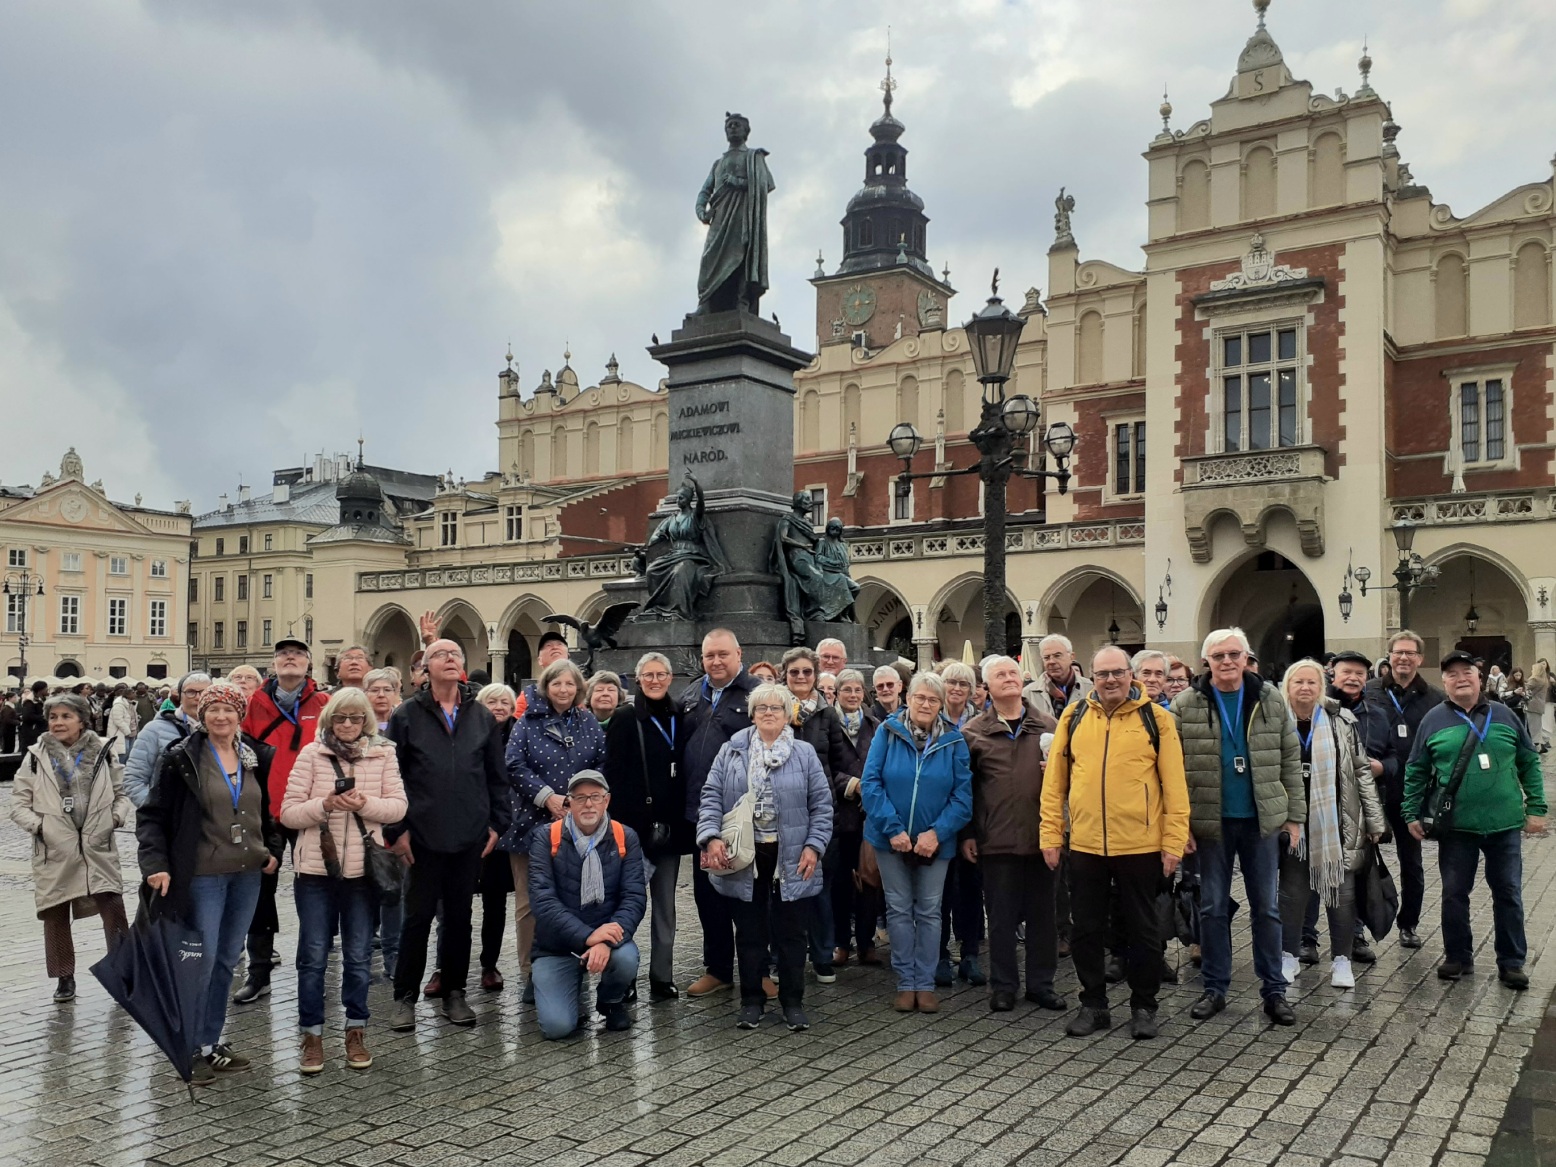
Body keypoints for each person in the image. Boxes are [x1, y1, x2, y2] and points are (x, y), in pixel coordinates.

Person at [138, 682, 283, 1085]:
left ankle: (211, 1042)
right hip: (202, 875)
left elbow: (269, 811)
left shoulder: (255, 756)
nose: (221, 717)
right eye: (213, 710)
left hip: (247, 874)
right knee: (198, 963)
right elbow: (152, 816)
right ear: (202, 716)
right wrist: (155, 862)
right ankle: (187, 1048)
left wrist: (272, 850)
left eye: (229, 710)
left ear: (240, 715)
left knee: (224, 961)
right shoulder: (181, 758)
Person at [1042, 647, 1188, 1038]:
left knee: (1143, 930)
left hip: (1140, 844)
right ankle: (1093, 1004)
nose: (1110, 680)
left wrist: (1173, 843)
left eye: (1117, 673)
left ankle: (1143, 1006)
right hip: (1087, 844)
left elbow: (1175, 787)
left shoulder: (1156, 719)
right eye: (1102, 674)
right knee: (1087, 929)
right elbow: (1054, 782)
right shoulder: (1073, 717)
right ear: (1090, 676)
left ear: (1131, 675)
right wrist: (1051, 834)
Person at [1172, 627, 1304, 1026]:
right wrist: (1181, 826)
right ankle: (1215, 988)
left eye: (1234, 654)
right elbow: (1173, 772)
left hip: (1261, 821)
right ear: (1205, 662)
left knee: (1266, 907)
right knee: (1212, 908)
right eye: (1219, 656)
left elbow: (1289, 757)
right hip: (1210, 821)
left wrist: (1294, 815)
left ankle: (1274, 991)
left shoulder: (1270, 699)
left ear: (1247, 658)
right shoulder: (1185, 704)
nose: (1227, 662)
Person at [280, 687, 407, 1073]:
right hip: (317, 870)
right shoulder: (311, 754)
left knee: (357, 956)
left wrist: (365, 804)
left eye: (355, 718)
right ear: (329, 720)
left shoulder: (384, 753)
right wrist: (325, 805)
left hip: (362, 872)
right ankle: (312, 1036)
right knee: (314, 956)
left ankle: (355, 1031)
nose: (348, 725)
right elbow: (288, 812)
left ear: (366, 721)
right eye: (340, 718)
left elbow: (399, 806)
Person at [385, 639, 511, 1031]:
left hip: (469, 835)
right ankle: (404, 997)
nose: (450, 659)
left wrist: (496, 825)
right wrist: (396, 831)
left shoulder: (481, 717)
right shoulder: (406, 715)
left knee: (459, 918)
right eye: (440, 654)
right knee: (418, 917)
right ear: (425, 667)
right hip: (420, 836)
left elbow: (497, 777)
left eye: (455, 654)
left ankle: (455, 992)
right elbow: (392, 777)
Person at [1404, 650, 1547, 989]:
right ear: (1445, 681)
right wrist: (1411, 813)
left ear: (1479, 677)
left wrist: (1537, 809)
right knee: (1454, 893)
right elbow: (1416, 770)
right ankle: (1457, 956)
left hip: (1505, 824)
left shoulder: (1505, 714)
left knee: (1509, 893)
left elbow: (1529, 762)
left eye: (1466, 671)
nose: (1460, 678)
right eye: (1452, 674)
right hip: (1456, 827)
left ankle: (1511, 962)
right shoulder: (1433, 719)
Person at [698, 683, 833, 1032]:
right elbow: (711, 795)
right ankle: (752, 1001)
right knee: (750, 933)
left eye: (776, 708)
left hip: (791, 853)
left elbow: (821, 806)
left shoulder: (804, 754)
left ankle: (792, 1002)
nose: (769, 713)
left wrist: (813, 846)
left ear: (788, 714)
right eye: (762, 708)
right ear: (753, 714)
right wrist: (710, 838)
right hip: (745, 854)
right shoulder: (732, 750)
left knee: (791, 934)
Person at [860, 672, 973, 1014]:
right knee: (897, 908)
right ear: (908, 697)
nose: (925, 704)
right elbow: (871, 783)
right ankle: (905, 981)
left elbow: (963, 796)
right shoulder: (887, 732)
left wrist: (936, 833)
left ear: (941, 705)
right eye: (920, 697)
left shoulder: (954, 741)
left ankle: (924, 983)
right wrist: (893, 829)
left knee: (929, 911)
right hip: (889, 839)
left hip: (934, 844)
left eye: (933, 700)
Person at [10, 692, 132, 1003]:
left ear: (81, 720)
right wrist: (41, 827)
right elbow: (19, 804)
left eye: (66, 716)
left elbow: (121, 793)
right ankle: (64, 976)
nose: (58, 722)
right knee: (55, 913)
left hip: (97, 843)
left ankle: (124, 970)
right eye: (53, 717)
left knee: (113, 908)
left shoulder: (104, 751)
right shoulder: (35, 756)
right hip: (55, 848)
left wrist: (114, 818)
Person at [500, 658, 605, 1003]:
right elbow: (513, 764)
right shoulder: (526, 722)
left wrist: (581, 800)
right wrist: (548, 798)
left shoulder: (588, 722)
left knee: (574, 899)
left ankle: (574, 966)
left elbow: (601, 763)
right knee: (530, 903)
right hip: (532, 824)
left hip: (580, 825)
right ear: (546, 686)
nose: (563, 690)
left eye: (570, 684)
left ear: (579, 689)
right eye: (557, 683)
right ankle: (532, 972)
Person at [963, 656, 1063, 1015]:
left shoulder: (1049, 725)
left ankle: (1041, 985)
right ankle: (1003, 986)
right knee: (1001, 920)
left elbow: (1069, 778)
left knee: (1043, 917)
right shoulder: (973, 732)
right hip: (997, 839)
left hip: (1043, 838)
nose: (1008, 679)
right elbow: (967, 789)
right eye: (999, 675)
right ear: (987, 688)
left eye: (1012, 673)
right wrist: (970, 833)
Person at [1277, 661, 1385, 991]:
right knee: (1293, 894)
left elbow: (1362, 770)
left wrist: (1374, 819)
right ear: (1288, 686)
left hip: (1337, 821)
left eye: (1312, 681)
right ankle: (1288, 955)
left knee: (1341, 894)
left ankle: (1342, 960)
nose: (1305, 687)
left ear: (1321, 686)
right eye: (1299, 682)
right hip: (1292, 821)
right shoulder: (1276, 721)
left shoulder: (1342, 721)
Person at [234, 636, 330, 1005]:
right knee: (261, 890)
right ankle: (259, 971)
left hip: (310, 809)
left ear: (309, 663)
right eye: (283, 655)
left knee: (314, 887)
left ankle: (313, 966)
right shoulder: (252, 703)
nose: (290, 659)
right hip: (265, 810)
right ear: (272, 664)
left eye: (297, 654)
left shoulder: (323, 703)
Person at [528, 770, 646, 1038]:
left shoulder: (625, 837)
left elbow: (634, 898)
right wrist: (589, 937)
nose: (589, 804)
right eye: (580, 798)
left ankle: (611, 1000)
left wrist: (606, 941)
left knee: (626, 958)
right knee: (557, 1028)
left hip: (608, 940)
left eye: (595, 796)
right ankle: (560, 988)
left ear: (607, 800)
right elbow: (543, 902)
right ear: (568, 803)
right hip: (555, 948)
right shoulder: (545, 838)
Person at [604, 653, 690, 1002]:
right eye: (648, 675)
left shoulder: (679, 716)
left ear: (670, 678)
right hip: (634, 832)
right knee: (629, 906)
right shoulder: (625, 718)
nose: (655, 680)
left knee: (665, 908)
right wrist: (624, 829)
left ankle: (662, 975)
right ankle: (624, 977)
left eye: (661, 674)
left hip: (669, 831)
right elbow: (613, 775)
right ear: (638, 680)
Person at [680, 629, 758, 997]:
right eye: (709, 655)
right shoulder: (692, 694)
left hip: (746, 813)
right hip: (701, 811)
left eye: (723, 654)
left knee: (749, 897)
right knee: (708, 894)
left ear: (738, 653)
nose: (715, 661)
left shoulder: (757, 694)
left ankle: (758, 970)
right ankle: (718, 969)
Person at [1364, 630, 1443, 950]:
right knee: (1361, 861)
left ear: (1420, 659)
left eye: (1410, 653)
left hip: (1413, 792)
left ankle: (1408, 924)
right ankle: (1358, 927)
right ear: (1389, 656)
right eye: (1398, 652)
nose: (1404, 658)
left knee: (1411, 862)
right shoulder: (1370, 691)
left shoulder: (1434, 698)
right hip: (1372, 790)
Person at [782, 646, 849, 982]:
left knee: (820, 887)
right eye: (794, 672)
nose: (801, 678)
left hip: (821, 812)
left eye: (807, 672)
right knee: (781, 888)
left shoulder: (827, 714)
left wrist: (836, 792)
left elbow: (839, 762)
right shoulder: (775, 710)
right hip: (781, 812)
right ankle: (782, 956)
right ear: (786, 676)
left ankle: (822, 955)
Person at [462, 682, 519, 992]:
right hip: (466, 828)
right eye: (492, 701)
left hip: (499, 829)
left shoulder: (519, 734)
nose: (499, 706)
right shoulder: (468, 731)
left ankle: (489, 964)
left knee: (495, 902)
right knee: (457, 902)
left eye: (505, 702)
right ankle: (449, 965)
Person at [934, 660, 985, 987]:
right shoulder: (930, 722)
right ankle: (939, 954)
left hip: (971, 818)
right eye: (951, 683)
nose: (956, 689)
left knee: (970, 889)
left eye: (963, 684)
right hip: (938, 819)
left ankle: (970, 954)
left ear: (972, 691)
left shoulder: (979, 724)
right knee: (939, 892)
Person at [828, 669, 883, 968]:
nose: (852, 695)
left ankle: (866, 942)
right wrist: (852, 785)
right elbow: (822, 766)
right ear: (836, 693)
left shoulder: (876, 725)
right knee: (840, 882)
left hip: (869, 817)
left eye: (857, 690)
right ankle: (840, 942)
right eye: (846, 689)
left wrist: (872, 787)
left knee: (870, 880)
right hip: (838, 816)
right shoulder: (827, 724)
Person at [123, 672, 212, 808]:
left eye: (205, 692)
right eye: (191, 692)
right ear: (180, 697)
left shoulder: (225, 730)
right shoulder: (155, 730)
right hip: (169, 821)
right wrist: (156, 811)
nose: (198, 697)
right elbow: (133, 778)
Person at [1025, 635, 1093, 720]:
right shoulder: (1028, 694)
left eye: (1057, 656)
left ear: (1071, 657)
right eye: (1046, 657)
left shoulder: (1091, 689)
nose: (1052, 661)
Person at [513, 632, 572, 718]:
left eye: (559, 644)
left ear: (568, 656)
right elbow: (514, 726)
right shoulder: (527, 697)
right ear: (540, 660)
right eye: (548, 646)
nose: (555, 647)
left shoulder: (580, 692)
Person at [106, 684, 138, 760]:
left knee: (130, 753)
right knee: (123, 753)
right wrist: (127, 731)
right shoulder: (119, 705)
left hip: (132, 732)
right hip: (122, 733)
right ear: (128, 695)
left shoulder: (132, 704)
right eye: (133, 692)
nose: (135, 694)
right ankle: (120, 770)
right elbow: (118, 720)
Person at [364, 668, 401, 733]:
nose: (381, 695)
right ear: (365, 693)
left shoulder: (404, 719)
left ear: (395, 693)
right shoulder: (359, 722)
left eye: (387, 690)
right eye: (374, 690)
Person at [19, 680, 50, 751]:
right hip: (32, 732)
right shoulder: (30, 701)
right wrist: (44, 717)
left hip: (39, 730)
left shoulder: (41, 699)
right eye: (46, 688)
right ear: (40, 690)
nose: (47, 690)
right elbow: (27, 716)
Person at [1527, 660, 1550, 753]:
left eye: (1533, 669)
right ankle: (1541, 745)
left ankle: (1535, 746)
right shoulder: (1544, 680)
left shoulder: (1535, 679)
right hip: (1540, 705)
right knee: (1537, 726)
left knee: (1532, 727)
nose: (1532, 670)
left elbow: (1526, 687)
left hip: (1532, 705)